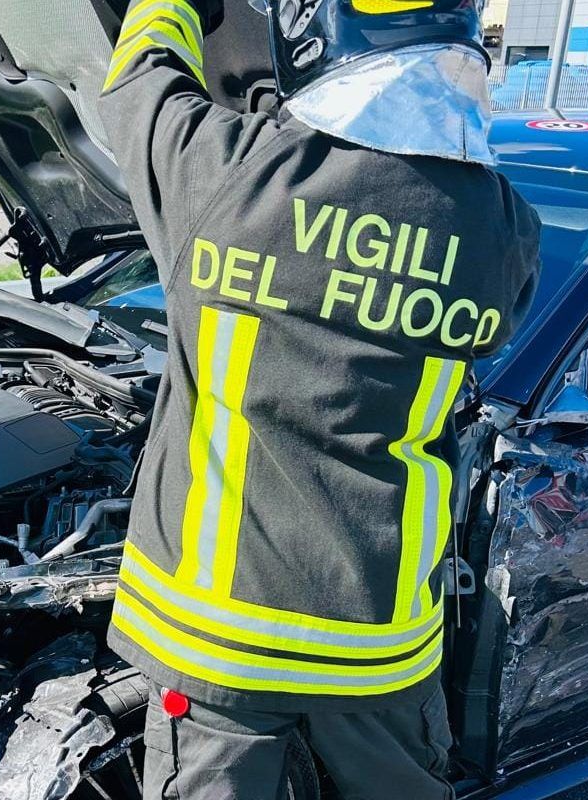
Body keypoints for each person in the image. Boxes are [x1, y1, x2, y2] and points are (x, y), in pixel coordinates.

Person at [94, 0, 540, 797]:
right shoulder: (501, 228)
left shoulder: (228, 175)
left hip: (216, 645)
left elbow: (136, 78)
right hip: (380, 643)